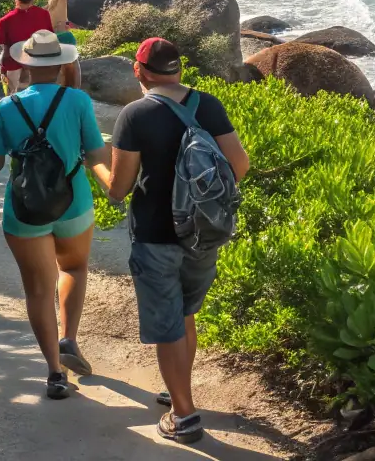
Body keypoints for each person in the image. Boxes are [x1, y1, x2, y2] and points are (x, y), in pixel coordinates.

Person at [106, 38, 250, 445]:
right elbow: (239, 164)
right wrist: (200, 201)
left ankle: (183, 416)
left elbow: (119, 188)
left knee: (168, 325)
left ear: (139, 71)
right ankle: (176, 391)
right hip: (203, 234)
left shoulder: (135, 114)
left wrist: (98, 165)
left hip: (156, 235)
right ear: (179, 70)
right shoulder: (208, 104)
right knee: (185, 315)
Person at [0, 30, 112, 401]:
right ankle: (69, 337)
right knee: (73, 268)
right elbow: (95, 154)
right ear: (60, 64)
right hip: (73, 202)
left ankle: (55, 373)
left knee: (38, 290)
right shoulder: (78, 101)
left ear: (25, 64)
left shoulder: (7, 107)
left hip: (24, 209)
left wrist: (14, 147)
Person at [0, 0, 53, 94]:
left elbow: (2, 46)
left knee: (12, 98)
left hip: (12, 64)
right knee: (36, 97)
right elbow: (49, 39)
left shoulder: (5, 20)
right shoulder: (44, 15)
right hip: (37, 64)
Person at [46, 0, 82, 89]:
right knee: (73, 65)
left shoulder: (44, 8)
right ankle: (76, 88)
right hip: (65, 37)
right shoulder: (61, 1)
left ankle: (59, 89)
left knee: (57, 67)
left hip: (53, 38)